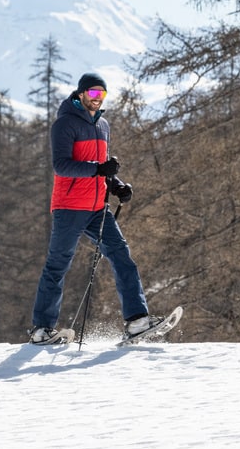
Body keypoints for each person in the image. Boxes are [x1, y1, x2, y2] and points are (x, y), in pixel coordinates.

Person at [30, 71, 153, 343]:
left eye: (103, 94)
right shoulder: (64, 124)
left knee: (122, 256)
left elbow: (102, 169)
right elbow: (61, 165)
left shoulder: (103, 126)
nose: (98, 99)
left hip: (98, 207)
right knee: (58, 265)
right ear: (81, 93)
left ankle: (137, 320)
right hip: (70, 206)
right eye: (94, 93)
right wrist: (98, 169)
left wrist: (116, 184)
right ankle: (42, 329)